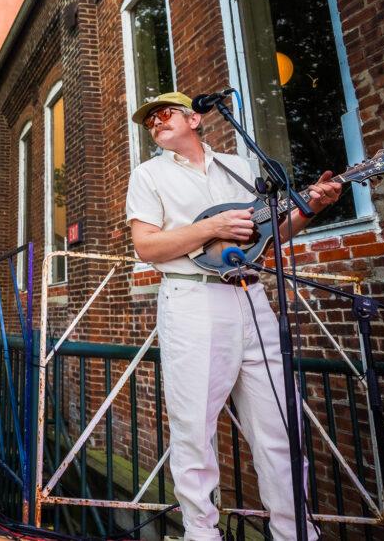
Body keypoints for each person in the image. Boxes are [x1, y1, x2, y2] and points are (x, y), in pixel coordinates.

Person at [125, 91, 341, 540]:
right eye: (149, 121)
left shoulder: (239, 167)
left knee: (280, 428)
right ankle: (202, 533)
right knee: (194, 431)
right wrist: (211, 228)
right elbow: (146, 247)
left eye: (164, 113)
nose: (155, 123)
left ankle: (294, 532)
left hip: (251, 297)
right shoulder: (148, 175)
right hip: (192, 301)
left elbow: (267, 237)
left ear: (195, 119)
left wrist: (310, 209)